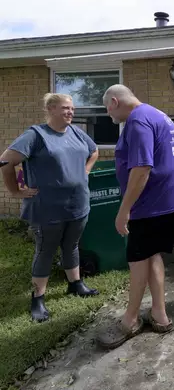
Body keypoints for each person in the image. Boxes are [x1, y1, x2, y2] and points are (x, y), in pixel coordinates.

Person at [96, 84, 174, 349]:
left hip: (149, 204)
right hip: (167, 201)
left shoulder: (137, 121)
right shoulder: (157, 114)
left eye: (107, 108)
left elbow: (141, 169)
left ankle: (130, 320)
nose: (108, 114)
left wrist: (124, 210)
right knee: (152, 254)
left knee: (137, 260)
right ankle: (159, 315)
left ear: (114, 101)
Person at [0, 93, 100, 323]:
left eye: (72, 108)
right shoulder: (36, 135)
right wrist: (15, 191)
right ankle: (38, 299)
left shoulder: (76, 132)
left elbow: (94, 151)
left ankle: (75, 284)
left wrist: (85, 171)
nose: (71, 112)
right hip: (47, 207)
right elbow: (5, 161)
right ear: (51, 109)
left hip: (78, 203)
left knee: (72, 244)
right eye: (65, 108)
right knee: (45, 250)